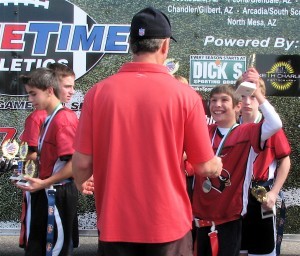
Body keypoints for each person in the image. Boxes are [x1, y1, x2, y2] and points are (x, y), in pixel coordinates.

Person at [72, 6, 222, 256]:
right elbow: (205, 167)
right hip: (168, 227)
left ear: (132, 44)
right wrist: (217, 164)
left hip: (115, 226)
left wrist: (79, 182)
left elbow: (83, 163)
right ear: (165, 46)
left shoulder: (98, 93)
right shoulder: (185, 96)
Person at [192, 68, 283, 256]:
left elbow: (275, 123)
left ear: (237, 107)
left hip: (229, 221)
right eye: (214, 100)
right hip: (201, 220)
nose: (217, 105)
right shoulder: (204, 131)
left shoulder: (247, 132)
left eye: (224, 100)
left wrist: (256, 90)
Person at [15, 67, 79, 256]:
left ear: (49, 90)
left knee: (54, 250)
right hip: (49, 189)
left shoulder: (64, 120)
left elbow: (73, 163)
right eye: (29, 94)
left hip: (58, 192)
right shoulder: (49, 118)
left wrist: (44, 182)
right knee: (38, 247)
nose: (30, 100)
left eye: (33, 94)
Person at [236, 78, 291, 256]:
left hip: (261, 198)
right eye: (243, 96)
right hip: (235, 198)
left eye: (252, 96)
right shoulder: (231, 126)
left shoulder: (271, 127)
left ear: (261, 98)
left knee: (263, 252)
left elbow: (285, 160)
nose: (246, 101)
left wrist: (274, 192)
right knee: (238, 250)